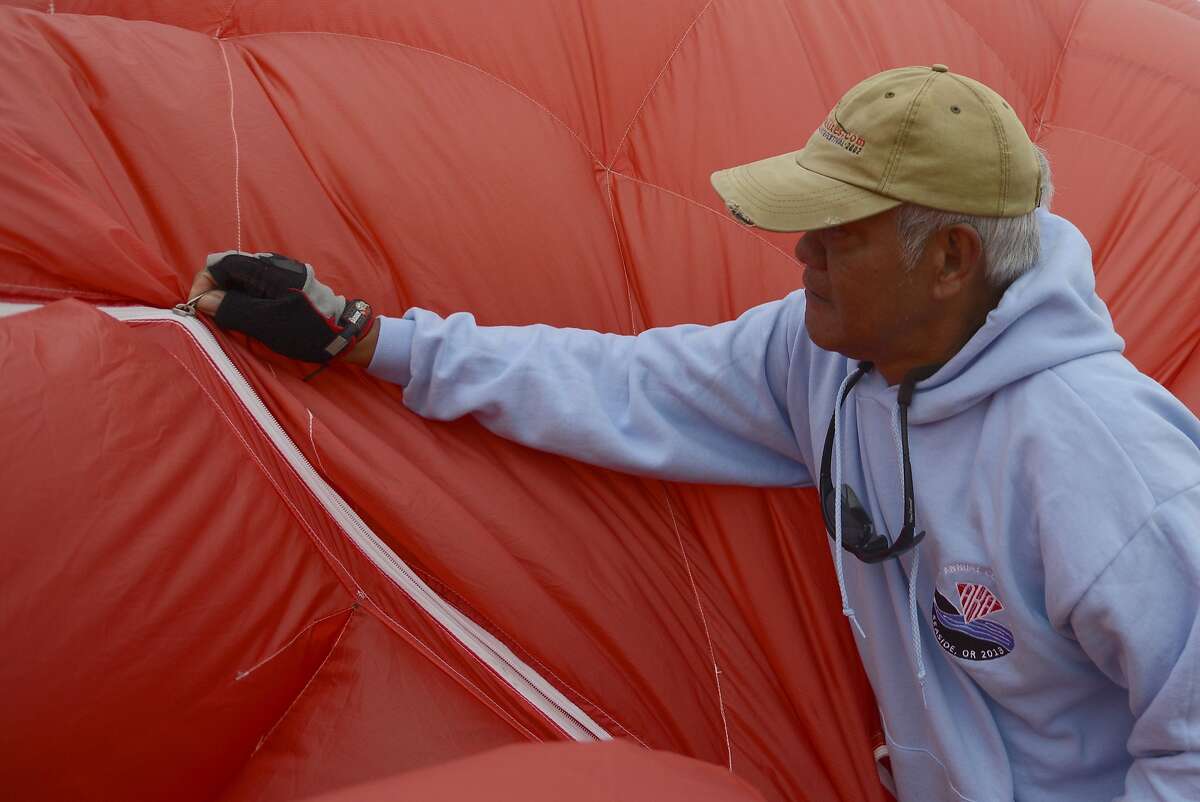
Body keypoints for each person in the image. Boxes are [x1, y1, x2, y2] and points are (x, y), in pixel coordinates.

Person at [186, 65, 1200, 801]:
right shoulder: (823, 359)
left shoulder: (1110, 469)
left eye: (837, 230)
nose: (799, 249)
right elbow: (623, 385)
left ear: (948, 258)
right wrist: (374, 341)